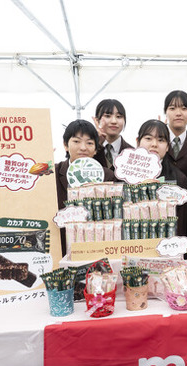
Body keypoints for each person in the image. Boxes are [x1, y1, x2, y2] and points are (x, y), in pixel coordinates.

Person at [55, 119, 115, 255]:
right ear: (65, 145)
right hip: (62, 246)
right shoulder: (54, 173)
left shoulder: (107, 176)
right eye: (76, 141)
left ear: (95, 149)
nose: (83, 147)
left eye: (89, 143)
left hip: (97, 247)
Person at [135, 119, 187, 237]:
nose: (154, 144)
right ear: (138, 142)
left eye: (161, 140)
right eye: (148, 138)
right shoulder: (125, 176)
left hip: (168, 243)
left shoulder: (178, 179)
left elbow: (182, 221)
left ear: (167, 146)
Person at [92, 99, 133, 175]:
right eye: (107, 116)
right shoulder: (89, 151)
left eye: (119, 117)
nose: (114, 121)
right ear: (97, 120)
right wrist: (98, 145)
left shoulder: (132, 152)